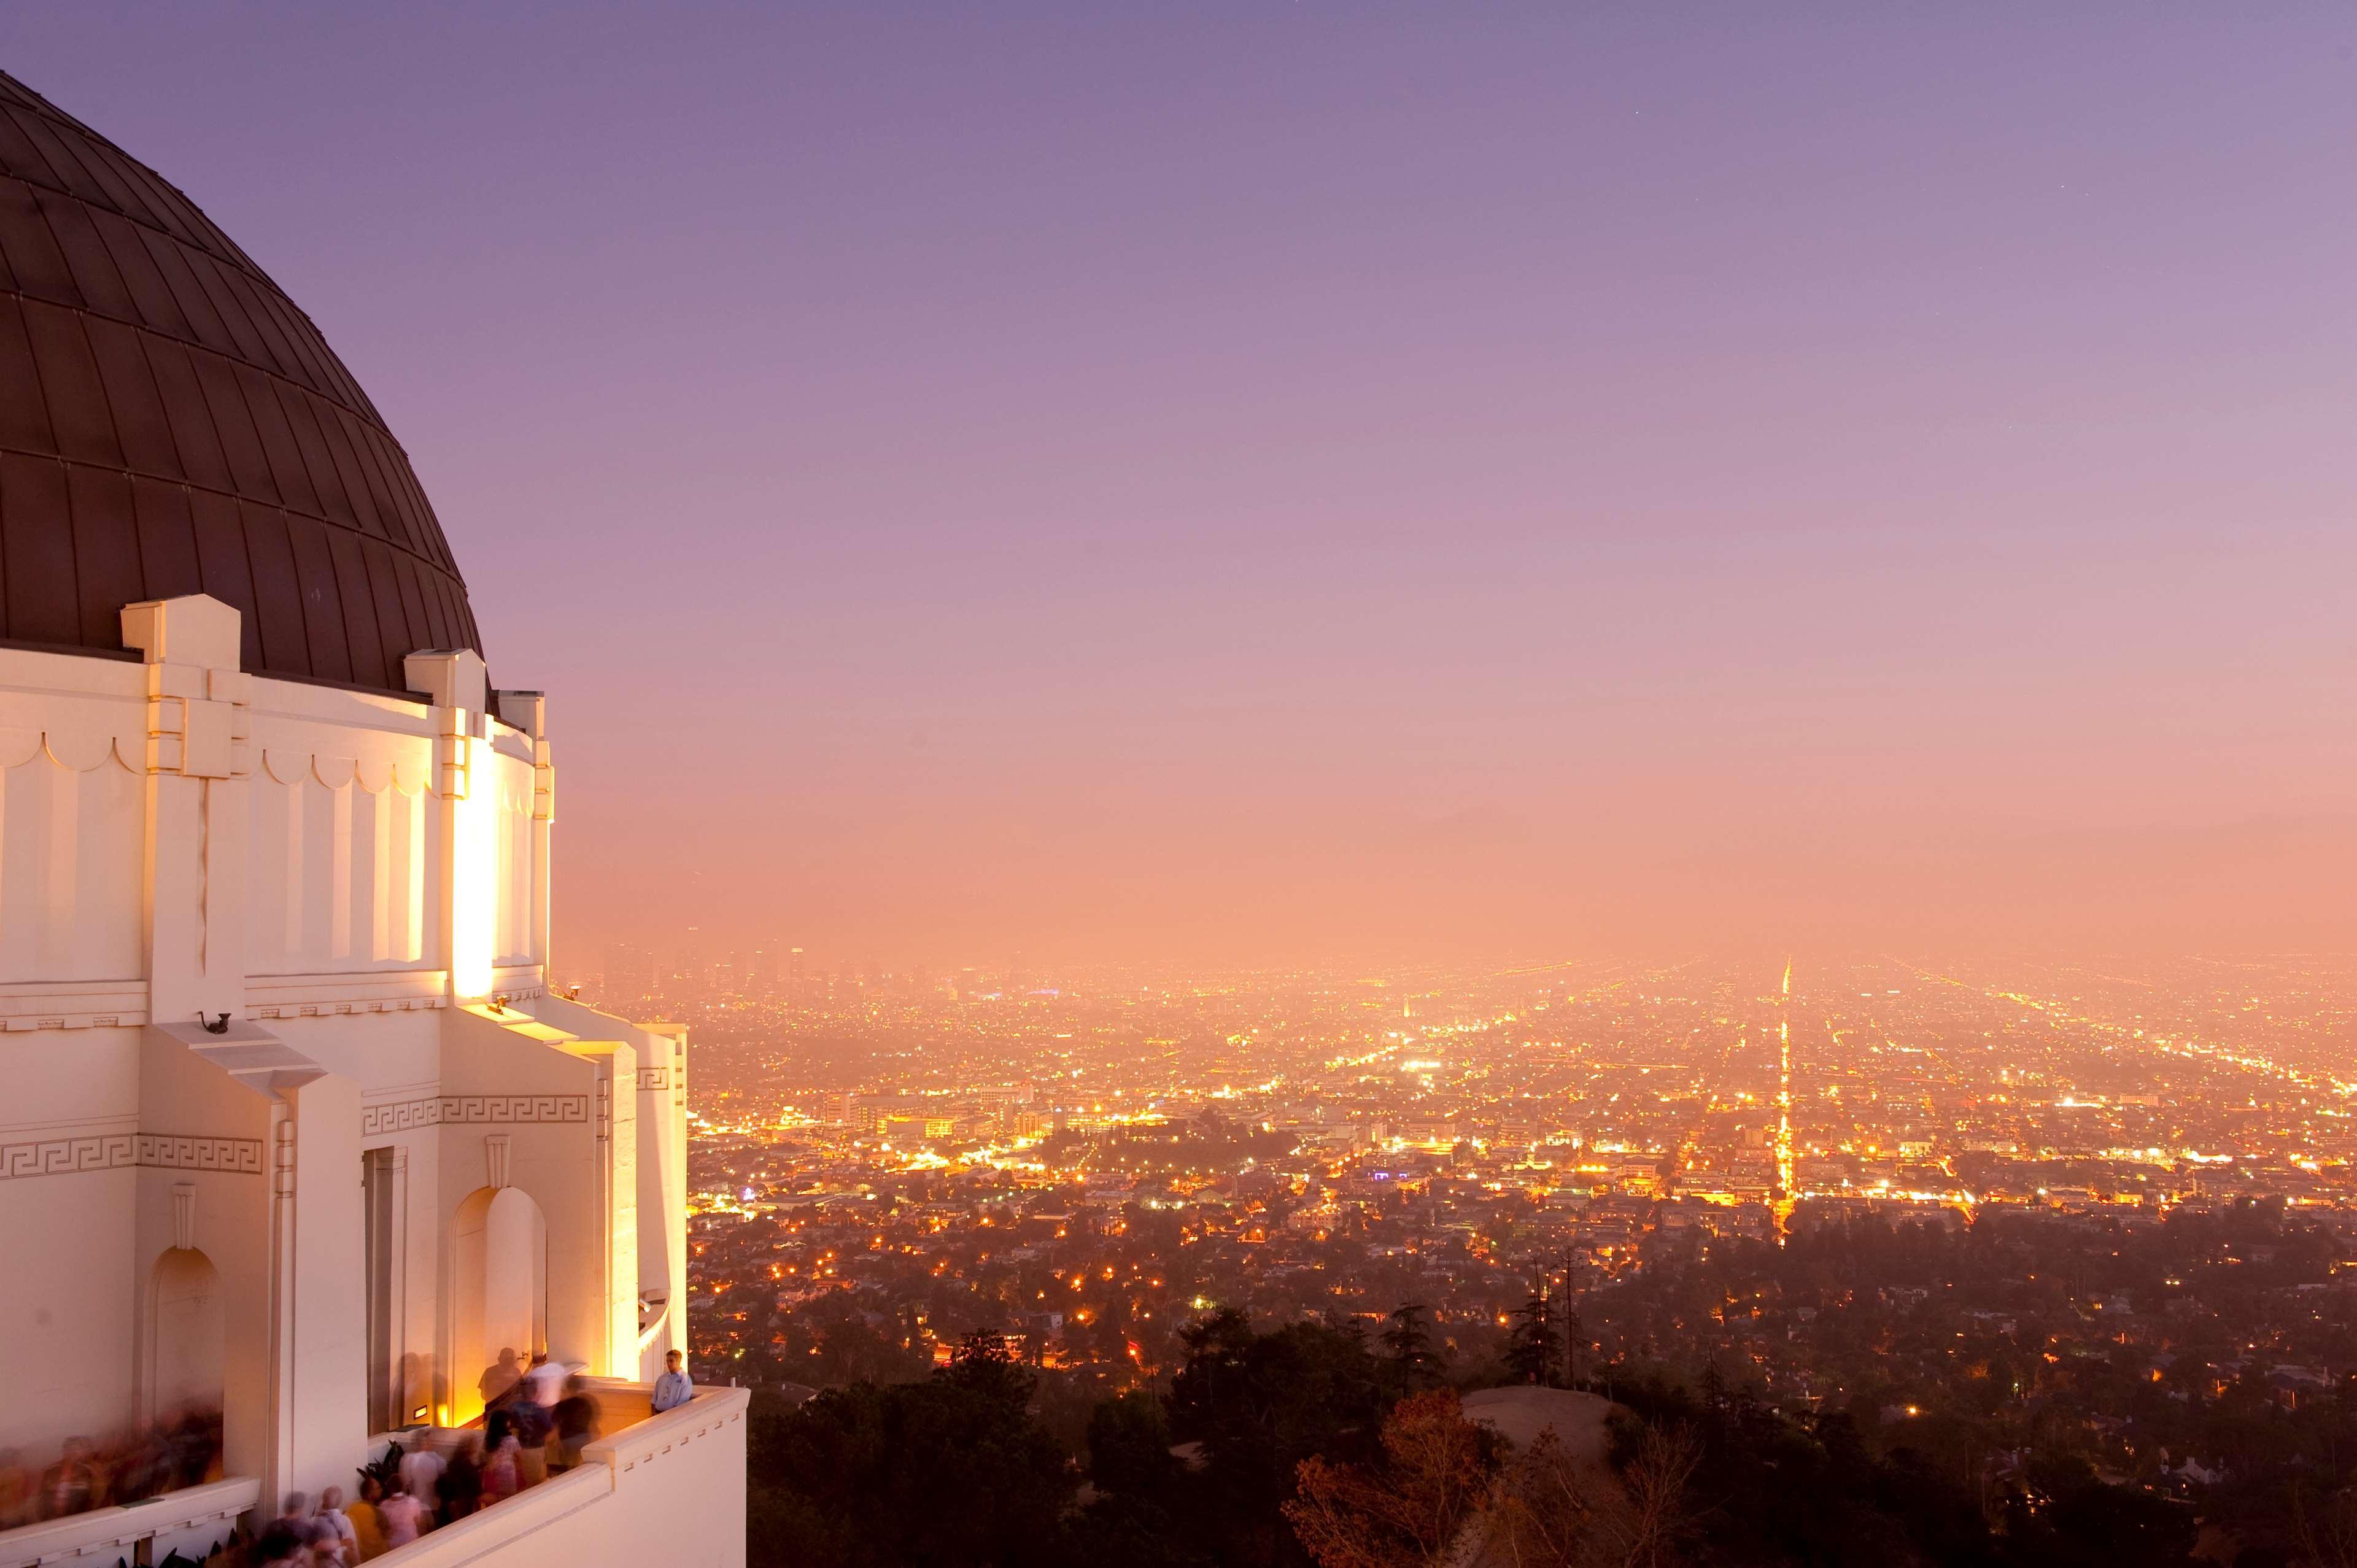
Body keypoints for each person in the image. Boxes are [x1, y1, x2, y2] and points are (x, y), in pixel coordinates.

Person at [552, 1377, 598, 1472]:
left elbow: (554, 1424)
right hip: (583, 1437)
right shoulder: (587, 1403)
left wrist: (555, 1441)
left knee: (566, 1465)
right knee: (580, 1464)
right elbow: (593, 1422)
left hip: (567, 1439)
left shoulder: (562, 1405)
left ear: (568, 1387)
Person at [397, 1439, 443, 1526]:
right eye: (428, 1443)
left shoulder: (407, 1458)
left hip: (415, 1504)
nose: (431, 1444)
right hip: (426, 1505)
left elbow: (405, 1482)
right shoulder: (431, 1460)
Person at [345, 1477, 388, 1561]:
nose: (381, 1490)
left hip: (361, 1561)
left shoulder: (351, 1509)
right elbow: (387, 1533)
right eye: (378, 1488)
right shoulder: (377, 1512)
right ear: (370, 1494)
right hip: (380, 1558)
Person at [316, 1484, 361, 1563]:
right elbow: (354, 1547)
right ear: (340, 1502)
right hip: (339, 1563)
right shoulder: (345, 1520)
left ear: (324, 1501)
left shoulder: (315, 1520)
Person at [378, 1483, 427, 1550]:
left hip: (393, 1545)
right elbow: (419, 1523)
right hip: (411, 1541)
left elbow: (383, 1528)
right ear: (404, 1487)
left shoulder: (383, 1505)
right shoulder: (413, 1502)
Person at [478, 1348, 523, 1412]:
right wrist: (493, 1387)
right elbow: (483, 1395)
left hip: (512, 1411)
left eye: (510, 1359)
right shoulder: (490, 1372)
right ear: (499, 1359)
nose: (508, 1362)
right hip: (494, 1411)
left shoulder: (517, 1372)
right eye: (506, 1359)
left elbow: (522, 1392)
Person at [651, 1349, 692, 1414]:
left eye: (671, 1361)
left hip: (672, 1415)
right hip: (658, 1414)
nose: (669, 1364)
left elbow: (683, 1402)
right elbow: (654, 1400)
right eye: (667, 1361)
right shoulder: (662, 1379)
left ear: (678, 1361)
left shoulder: (685, 1379)